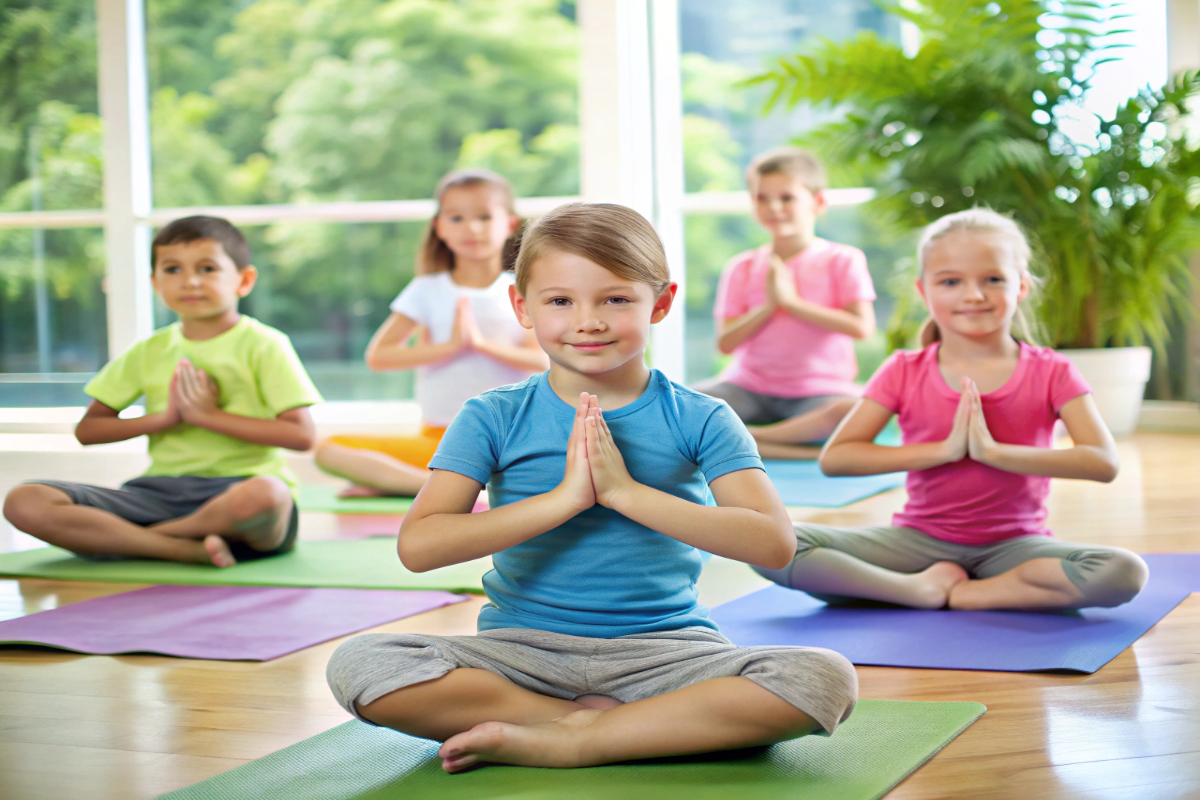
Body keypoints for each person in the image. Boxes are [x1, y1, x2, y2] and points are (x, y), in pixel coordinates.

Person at [326, 203, 857, 772]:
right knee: (361, 664)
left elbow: (772, 543)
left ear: (660, 302)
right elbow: (420, 547)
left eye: (616, 299)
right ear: (521, 307)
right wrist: (564, 501)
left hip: (667, 655)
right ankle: (602, 726)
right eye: (560, 301)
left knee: (822, 677)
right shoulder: (491, 415)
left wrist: (626, 493)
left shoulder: (703, 417)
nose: (588, 321)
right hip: (519, 655)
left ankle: (577, 739)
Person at [754, 208, 1148, 611]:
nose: (973, 295)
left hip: (1016, 546)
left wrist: (993, 453)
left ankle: (966, 594)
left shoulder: (1053, 370)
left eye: (993, 279)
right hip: (916, 544)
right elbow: (837, 458)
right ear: (924, 291)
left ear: (1022, 287)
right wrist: (944, 451)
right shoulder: (903, 370)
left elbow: (1103, 461)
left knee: (1123, 572)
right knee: (768, 544)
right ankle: (916, 590)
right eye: (951, 281)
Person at [3, 216, 322, 567]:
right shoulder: (149, 350)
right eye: (172, 270)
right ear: (155, 282)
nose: (190, 281)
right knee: (25, 500)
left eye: (207, 268)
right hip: (158, 492)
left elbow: (301, 435)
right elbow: (89, 430)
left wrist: (208, 416)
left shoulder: (266, 345)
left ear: (244, 281)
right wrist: (166, 418)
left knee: (268, 493)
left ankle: (152, 538)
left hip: (240, 496)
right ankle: (179, 547)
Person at [313, 169, 548, 498]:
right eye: (457, 218)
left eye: (484, 216)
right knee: (328, 450)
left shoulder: (519, 288)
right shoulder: (426, 290)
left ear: (509, 223)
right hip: (440, 440)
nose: (472, 228)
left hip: (508, 436)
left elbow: (541, 359)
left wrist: (481, 345)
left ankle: (399, 483)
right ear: (439, 227)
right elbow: (379, 356)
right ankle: (437, 488)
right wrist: (449, 347)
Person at [697, 147, 877, 460]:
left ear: (818, 202)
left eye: (787, 198)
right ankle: (782, 446)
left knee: (856, 411)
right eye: (761, 198)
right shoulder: (742, 267)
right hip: (748, 388)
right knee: (681, 403)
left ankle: (751, 440)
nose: (774, 207)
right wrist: (768, 307)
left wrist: (792, 303)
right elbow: (725, 344)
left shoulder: (843, 260)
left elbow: (861, 327)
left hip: (819, 394)